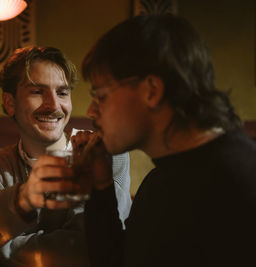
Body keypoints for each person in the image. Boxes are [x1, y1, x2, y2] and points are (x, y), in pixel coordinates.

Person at [72, 14, 256, 267]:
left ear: (152, 91)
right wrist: (101, 186)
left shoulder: (239, 181)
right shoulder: (162, 179)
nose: (92, 112)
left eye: (101, 96)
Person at [0, 46, 132, 267]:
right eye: (37, 92)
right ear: (10, 103)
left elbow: (89, 252)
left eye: (62, 92)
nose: (54, 105)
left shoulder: (102, 154)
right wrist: (20, 201)